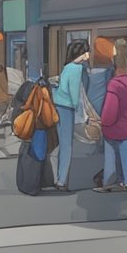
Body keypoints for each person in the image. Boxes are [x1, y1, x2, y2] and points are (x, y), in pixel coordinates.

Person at [94, 55, 127, 193]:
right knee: (125, 154)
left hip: (114, 127)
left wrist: (103, 122)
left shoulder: (114, 84)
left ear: (113, 67)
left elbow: (110, 109)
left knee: (111, 154)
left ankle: (109, 181)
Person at [52, 40, 91, 191]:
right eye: (87, 51)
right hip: (68, 108)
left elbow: (62, 86)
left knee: (62, 144)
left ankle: (59, 177)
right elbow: (74, 92)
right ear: (81, 53)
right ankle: (62, 181)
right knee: (67, 146)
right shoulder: (77, 69)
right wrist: (77, 107)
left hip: (58, 106)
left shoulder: (67, 67)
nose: (88, 55)